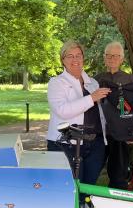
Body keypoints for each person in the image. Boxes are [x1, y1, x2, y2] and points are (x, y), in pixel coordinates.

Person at [47, 40, 110, 186]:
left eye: (78, 55)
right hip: (67, 144)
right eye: (70, 56)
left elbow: (102, 114)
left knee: (88, 187)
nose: (75, 60)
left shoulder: (93, 82)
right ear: (63, 60)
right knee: (68, 188)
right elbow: (62, 110)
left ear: (83, 58)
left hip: (95, 144)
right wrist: (92, 98)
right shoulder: (56, 83)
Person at [95, 41, 133, 190]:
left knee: (118, 175)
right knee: (93, 169)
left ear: (122, 59)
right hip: (99, 133)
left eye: (116, 56)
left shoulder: (129, 80)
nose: (112, 58)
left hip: (120, 134)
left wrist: (132, 132)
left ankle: (118, 205)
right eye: (109, 55)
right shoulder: (95, 80)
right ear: (104, 58)